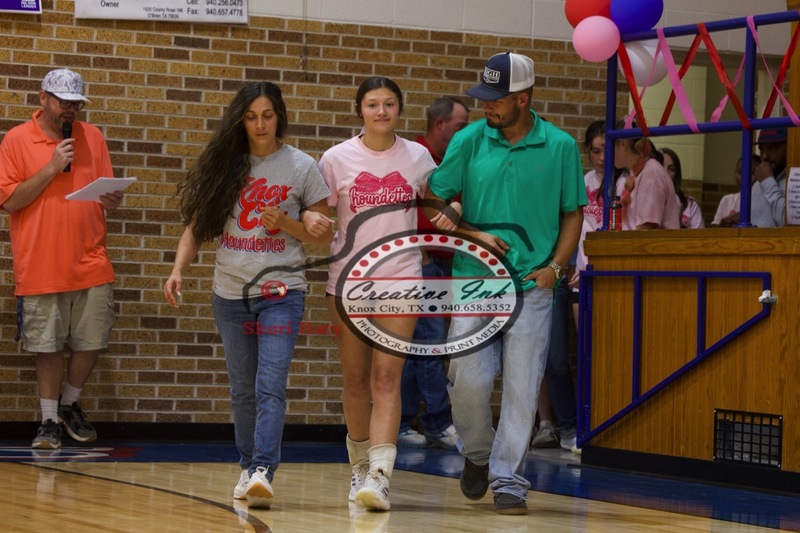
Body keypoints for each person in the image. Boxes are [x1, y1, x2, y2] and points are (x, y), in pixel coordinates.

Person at [425, 52, 586, 515]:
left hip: (532, 284)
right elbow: (435, 192)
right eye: (484, 98)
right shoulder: (470, 139)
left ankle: (509, 478)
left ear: (523, 98)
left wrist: (555, 268)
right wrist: (465, 225)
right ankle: (478, 453)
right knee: (467, 378)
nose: (486, 108)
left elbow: (572, 213)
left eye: (496, 100)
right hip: (474, 278)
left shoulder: (559, 146)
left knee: (522, 383)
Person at [163, 81, 333, 509]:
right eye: (252, 116)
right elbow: (196, 228)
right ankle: (246, 464)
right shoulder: (225, 165)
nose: (260, 124)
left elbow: (322, 235)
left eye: (268, 115)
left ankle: (263, 469)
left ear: (280, 117)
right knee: (242, 389)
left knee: (269, 384)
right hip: (230, 293)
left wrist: (289, 225)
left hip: (281, 291)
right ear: (241, 119)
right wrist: (178, 269)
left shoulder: (301, 166)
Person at [319, 76, 437, 511]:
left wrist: (456, 209)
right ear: (360, 111)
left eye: (389, 104)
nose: (381, 112)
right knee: (355, 382)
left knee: (386, 378)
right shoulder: (335, 159)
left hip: (403, 279)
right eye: (372, 104)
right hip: (348, 283)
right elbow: (317, 214)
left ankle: (381, 477)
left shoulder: (419, 157)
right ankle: (358, 468)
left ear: (400, 110)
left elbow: (440, 201)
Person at [0, 68, 123, 450]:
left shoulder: (93, 137)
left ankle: (68, 405)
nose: (71, 110)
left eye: (76, 104)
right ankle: (49, 419)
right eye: (64, 102)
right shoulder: (17, 141)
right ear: (43, 99)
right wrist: (52, 166)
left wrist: (112, 199)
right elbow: (10, 201)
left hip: (91, 258)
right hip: (41, 262)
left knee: (92, 339)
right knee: (48, 345)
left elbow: (103, 192)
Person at [398, 96, 469, 450]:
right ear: (440, 124)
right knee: (430, 344)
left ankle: (401, 419)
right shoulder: (416, 157)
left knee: (419, 345)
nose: (466, 132)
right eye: (460, 126)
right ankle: (439, 422)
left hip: (447, 262)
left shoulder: (452, 161)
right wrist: (419, 249)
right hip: (421, 262)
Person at [614, 132, 681, 230]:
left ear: (623, 144)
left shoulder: (650, 174)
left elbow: (647, 228)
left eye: (610, 146)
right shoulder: (637, 172)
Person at [751, 128, 787, 228]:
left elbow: (789, 223)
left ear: (789, 147)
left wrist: (768, 182)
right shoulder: (757, 184)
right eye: (761, 149)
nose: (764, 156)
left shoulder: (795, 178)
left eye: (772, 149)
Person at [711, 154, 760, 227]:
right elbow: (714, 229)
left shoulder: (764, 202)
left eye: (752, 173)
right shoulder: (727, 200)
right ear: (735, 173)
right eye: (740, 172)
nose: (745, 177)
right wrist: (723, 224)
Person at [660, 147, 705, 228]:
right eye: (661, 167)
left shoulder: (690, 206)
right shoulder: (648, 202)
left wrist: (680, 224)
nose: (665, 173)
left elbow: (700, 238)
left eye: (671, 169)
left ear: (676, 174)